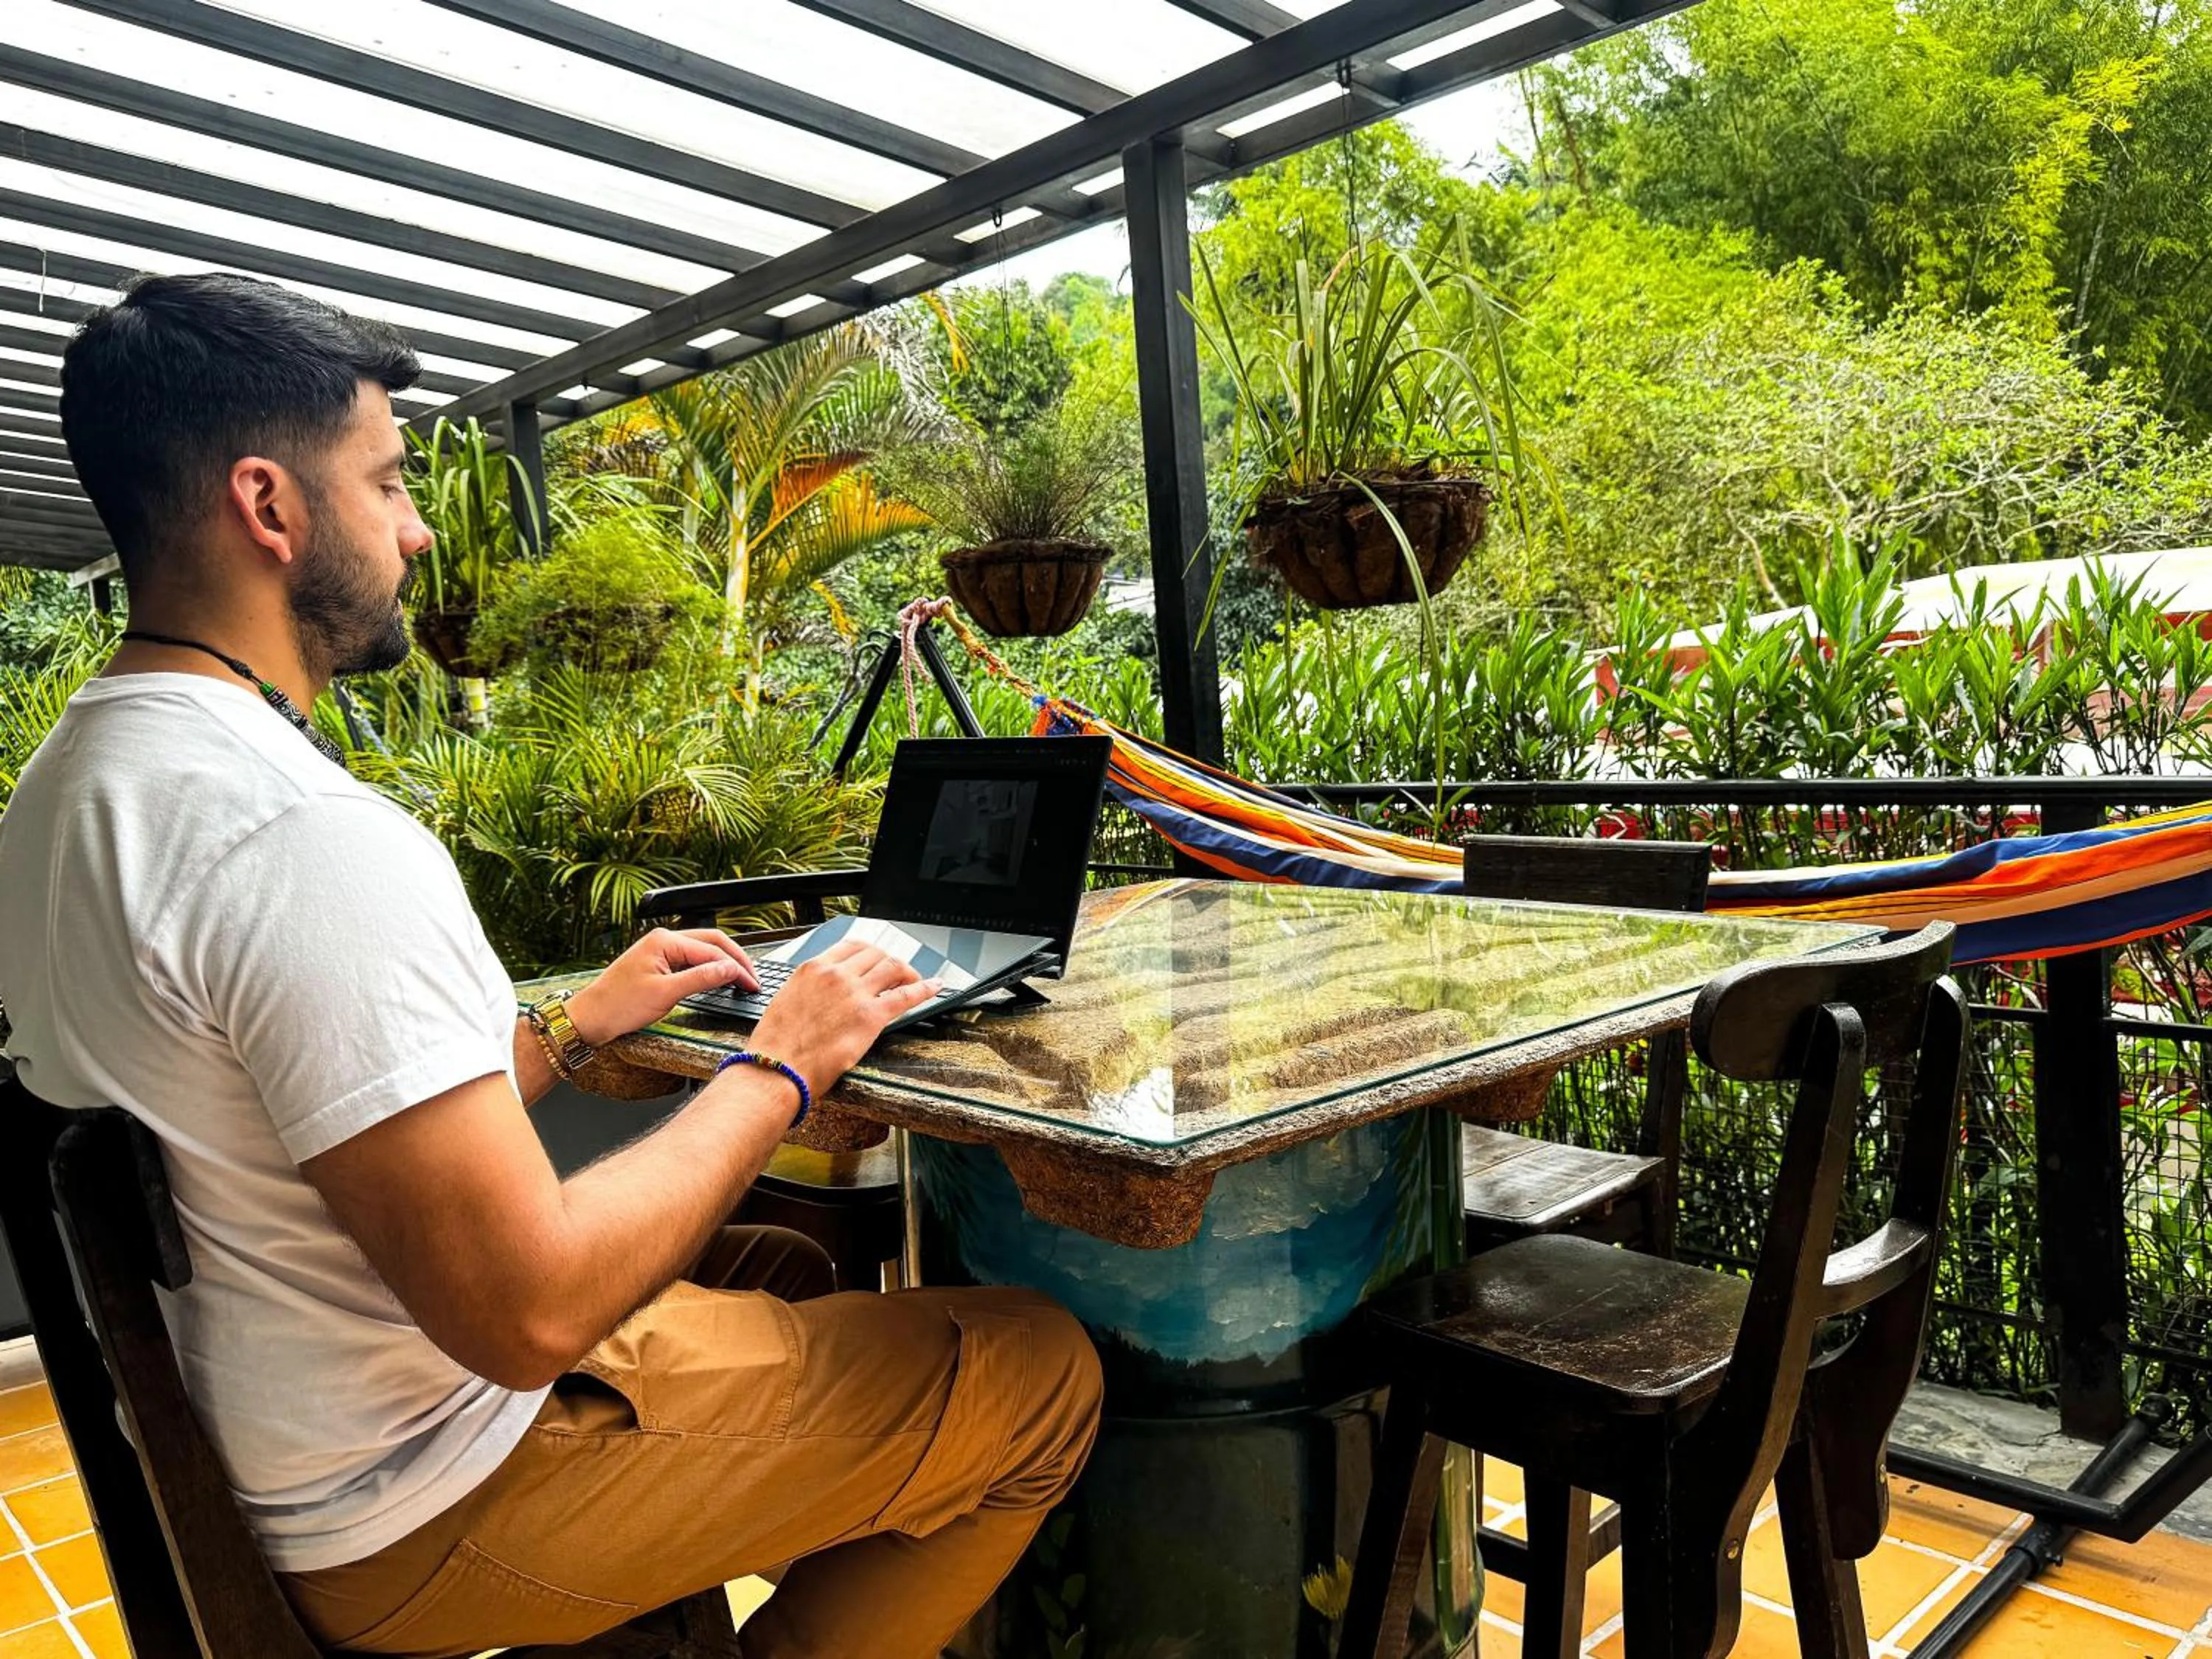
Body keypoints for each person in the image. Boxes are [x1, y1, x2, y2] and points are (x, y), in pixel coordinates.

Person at [0, 273, 1102, 1658]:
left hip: (286, 1439)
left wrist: (574, 1031)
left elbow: (290, 1120)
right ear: (271, 508)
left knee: (781, 1264)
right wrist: (783, 1062)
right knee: (1042, 1371)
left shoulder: (69, 792)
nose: (411, 531)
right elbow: (527, 1311)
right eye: (387, 481)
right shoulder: (297, 833)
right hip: (419, 1491)